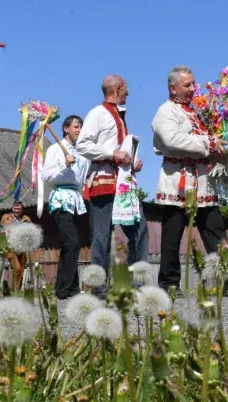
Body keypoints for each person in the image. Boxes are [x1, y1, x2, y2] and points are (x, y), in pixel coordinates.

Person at [152, 66, 228, 292]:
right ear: (173, 88)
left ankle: (227, 275)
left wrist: (218, 147)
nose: (192, 89)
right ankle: (169, 282)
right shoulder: (166, 111)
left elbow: (203, 139)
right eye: (187, 85)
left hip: (202, 179)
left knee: (214, 227)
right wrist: (208, 143)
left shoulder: (196, 111)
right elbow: (171, 140)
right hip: (177, 180)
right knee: (172, 233)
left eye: (193, 84)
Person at [76, 75, 148, 297]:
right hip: (104, 180)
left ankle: (138, 283)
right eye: (125, 89)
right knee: (101, 235)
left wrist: (132, 160)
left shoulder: (120, 116)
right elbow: (82, 145)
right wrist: (112, 153)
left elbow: (120, 148)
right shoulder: (98, 113)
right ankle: (98, 287)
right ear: (117, 88)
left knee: (139, 228)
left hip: (123, 182)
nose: (128, 93)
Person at [43, 115, 90, 299]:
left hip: (77, 200)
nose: (79, 130)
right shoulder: (55, 149)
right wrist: (64, 164)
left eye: (81, 127)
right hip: (61, 198)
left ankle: (66, 287)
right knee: (72, 243)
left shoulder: (82, 153)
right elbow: (46, 175)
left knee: (69, 245)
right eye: (76, 127)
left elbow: (84, 177)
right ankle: (67, 287)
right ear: (65, 128)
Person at [0, 201, 33, 292]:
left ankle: (16, 290)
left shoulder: (26, 219)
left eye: (19, 209)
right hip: (9, 247)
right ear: (12, 208)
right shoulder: (6, 218)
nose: (17, 210)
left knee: (21, 270)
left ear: (22, 210)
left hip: (21, 248)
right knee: (17, 268)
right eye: (15, 208)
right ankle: (12, 290)